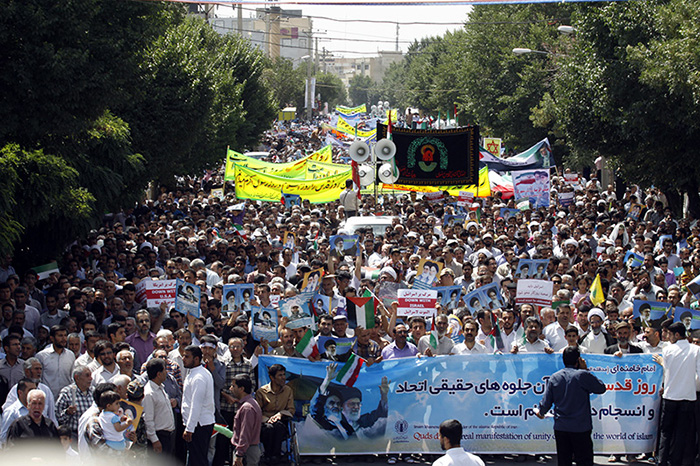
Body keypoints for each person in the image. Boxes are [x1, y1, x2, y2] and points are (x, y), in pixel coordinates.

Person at [536, 347, 606, 466]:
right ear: (578, 360)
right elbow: (601, 388)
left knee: (564, 461)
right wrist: (586, 370)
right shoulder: (583, 375)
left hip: (562, 427)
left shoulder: (555, 377)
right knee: (584, 461)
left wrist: (541, 413)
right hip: (581, 427)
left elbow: (546, 402)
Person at [655, 322, 700, 466]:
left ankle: (662, 461)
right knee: (681, 433)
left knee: (666, 432)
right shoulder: (695, 350)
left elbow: (666, 372)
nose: (667, 337)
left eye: (669, 334)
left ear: (677, 335)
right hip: (688, 397)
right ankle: (675, 462)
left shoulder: (668, 350)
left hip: (671, 397)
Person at [182, 345, 216, 466]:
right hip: (195, 425)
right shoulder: (193, 373)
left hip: (199, 425)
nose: (183, 358)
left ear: (196, 359)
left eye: (187, 356)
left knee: (198, 460)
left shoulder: (199, 377)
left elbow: (196, 405)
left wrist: (189, 429)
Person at [255, 363, 294, 463]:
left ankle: (276, 455)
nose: (283, 378)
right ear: (272, 377)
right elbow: (257, 412)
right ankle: (268, 454)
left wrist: (280, 414)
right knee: (269, 429)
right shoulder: (262, 392)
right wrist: (268, 420)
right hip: (265, 422)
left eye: (284, 375)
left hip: (281, 421)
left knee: (278, 427)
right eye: (280, 375)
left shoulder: (288, 390)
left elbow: (291, 409)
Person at [142, 357, 176, 455]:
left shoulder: (161, 388)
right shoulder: (149, 393)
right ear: (158, 374)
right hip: (159, 437)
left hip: (167, 436)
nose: (166, 372)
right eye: (165, 369)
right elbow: (148, 419)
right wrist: (155, 440)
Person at [230, 374, 262, 466]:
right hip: (247, 450)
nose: (231, 388)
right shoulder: (250, 404)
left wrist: (239, 455)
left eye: (233, 386)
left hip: (246, 452)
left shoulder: (247, 408)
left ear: (241, 389)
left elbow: (245, 433)